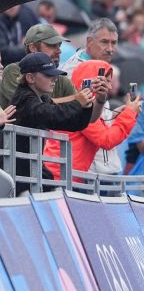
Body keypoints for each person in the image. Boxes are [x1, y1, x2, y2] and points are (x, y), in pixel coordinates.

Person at [11, 52, 101, 194]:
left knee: (49, 181)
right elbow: (52, 115)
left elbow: (71, 123)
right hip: (17, 172)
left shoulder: (39, 98)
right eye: (48, 75)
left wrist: (86, 105)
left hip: (27, 169)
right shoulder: (24, 98)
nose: (54, 79)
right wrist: (78, 103)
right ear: (30, 77)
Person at [42, 60, 140, 180]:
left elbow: (96, 130)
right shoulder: (82, 106)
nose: (109, 87)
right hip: (59, 178)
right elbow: (106, 140)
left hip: (62, 175)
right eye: (106, 82)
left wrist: (119, 115)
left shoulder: (77, 102)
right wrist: (129, 113)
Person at [0, 24, 78, 108]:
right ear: (33, 48)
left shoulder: (62, 80)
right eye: (52, 45)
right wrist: (75, 99)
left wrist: (90, 100)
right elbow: (31, 106)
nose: (59, 51)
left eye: (59, 45)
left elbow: (86, 114)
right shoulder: (14, 71)